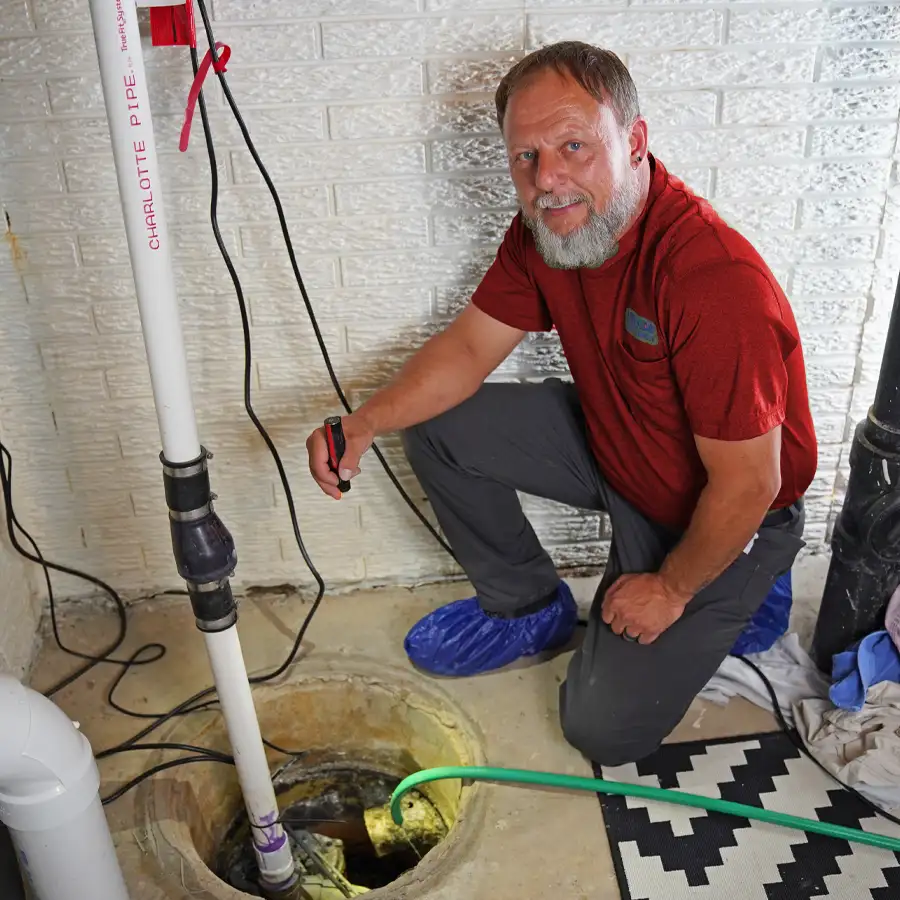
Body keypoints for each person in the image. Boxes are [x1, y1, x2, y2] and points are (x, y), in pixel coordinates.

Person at [306, 41, 817, 767]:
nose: (548, 179)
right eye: (526, 157)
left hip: (723, 510)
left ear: (634, 143)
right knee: (436, 426)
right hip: (620, 444)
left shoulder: (711, 280)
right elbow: (466, 350)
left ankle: (751, 585)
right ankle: (529, 608)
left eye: (573, 145)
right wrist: (361, 425)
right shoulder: (549, 234)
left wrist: (670, 588)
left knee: (600, 730)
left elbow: (749, 482)